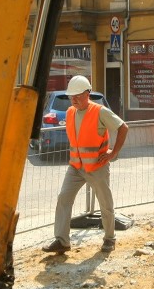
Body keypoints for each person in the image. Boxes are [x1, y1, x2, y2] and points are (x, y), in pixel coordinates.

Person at [43, 75, 129, 254]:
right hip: (75, 166)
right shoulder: (69, 112)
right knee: (64, 198)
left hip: (97, 166)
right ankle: (61, 240)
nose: (73, 99)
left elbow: (123, 127)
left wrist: (113, 153)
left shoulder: (100, 111)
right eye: (71, 96)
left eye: (78, 96)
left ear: (87, 93)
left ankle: (109, 238)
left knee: (105, 203)